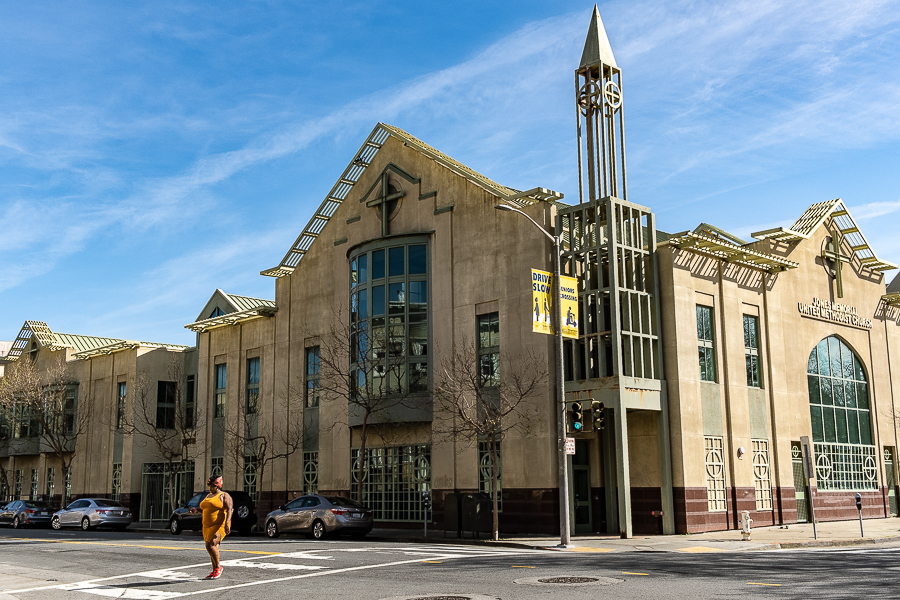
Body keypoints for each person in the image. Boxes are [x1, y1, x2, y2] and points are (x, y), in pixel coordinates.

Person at [189, 475, 233, 580]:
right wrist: (196, 509)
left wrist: (227, 523)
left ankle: (218, 568)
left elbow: (230, 509)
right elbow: (204, 509)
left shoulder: (224, 495)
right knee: (209, 547)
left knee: (213, 544)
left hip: (220, 525)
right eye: (209, 486)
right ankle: (214, 570)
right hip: (207, 526)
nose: (210, 488)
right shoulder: (208, 496)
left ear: (218, 486)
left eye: (212, 486)